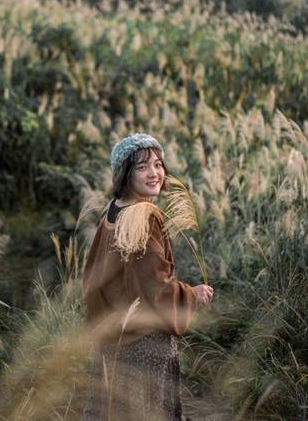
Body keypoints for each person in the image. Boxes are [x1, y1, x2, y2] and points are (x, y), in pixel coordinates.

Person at [81, 133, 213, 421]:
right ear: (126, 173)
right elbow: (153, 286)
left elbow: (92, 278)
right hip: (145, 343)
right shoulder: (145, 215)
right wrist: (192, 294)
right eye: (142, 167)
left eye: (157, 164)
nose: (154, 173)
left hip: (115, 339)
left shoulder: (113, 211)